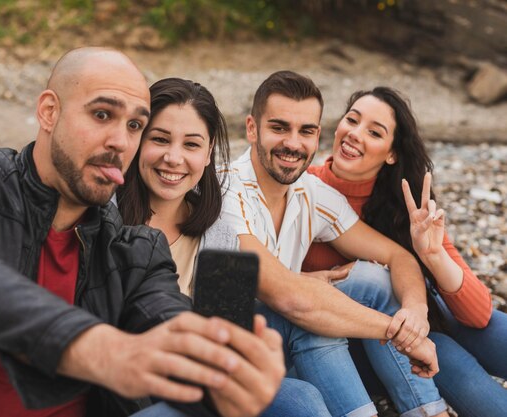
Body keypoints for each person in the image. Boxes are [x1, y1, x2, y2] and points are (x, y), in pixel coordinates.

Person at [0, 47, 285, 417]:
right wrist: (101, 348)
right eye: (102, 115)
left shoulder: (135, 251)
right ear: (49, 112)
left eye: (134, 126)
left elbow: (168, 327)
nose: (119, 141)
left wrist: (223, 379)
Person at [220, 70, 450, 417]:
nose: (294, 144)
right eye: (279, 127)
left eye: (307, 131)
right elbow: (290, 299)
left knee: (369, 279)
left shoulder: (310, 193)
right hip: (222, 348)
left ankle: (429, 412)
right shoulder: (226, 190)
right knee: (309, 318)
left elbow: (397, 256)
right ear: (252, 128)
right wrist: (402, 334)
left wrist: (415, 313)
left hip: (275, 342)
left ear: (318, 136)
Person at [118, 76, 333, 416]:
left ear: (208, 152)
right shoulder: (106, 221)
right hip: (132, 390)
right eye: (159, 139)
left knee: (301, 399)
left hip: (203, 382)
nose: (174, 159)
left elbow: (227, 338)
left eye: (191, 145)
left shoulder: (220, 228)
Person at [304, 86, 507, 417]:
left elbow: (479, 314)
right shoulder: (301, 188)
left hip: (414, 317)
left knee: (481, 328)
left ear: (392, 153)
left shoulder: (404, 204)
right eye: (351, 120)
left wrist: (433, 256)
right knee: (447, 357)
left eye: (373, 132)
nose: (354, 134)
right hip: (350, 345)